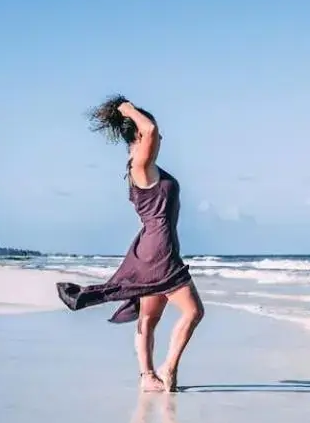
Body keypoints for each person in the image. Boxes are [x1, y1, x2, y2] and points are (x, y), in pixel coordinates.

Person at [57, 96, 204, 392]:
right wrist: (126, 109)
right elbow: (149, 130)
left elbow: (150, 132)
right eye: (153, 133)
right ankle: (168, 370)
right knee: (193, 312)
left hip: (153, 249)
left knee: (150, 316)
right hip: (159, 252)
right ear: (138, 135)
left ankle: (148, 377)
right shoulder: (141, 165)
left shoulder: (142, 167)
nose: (160, 136)